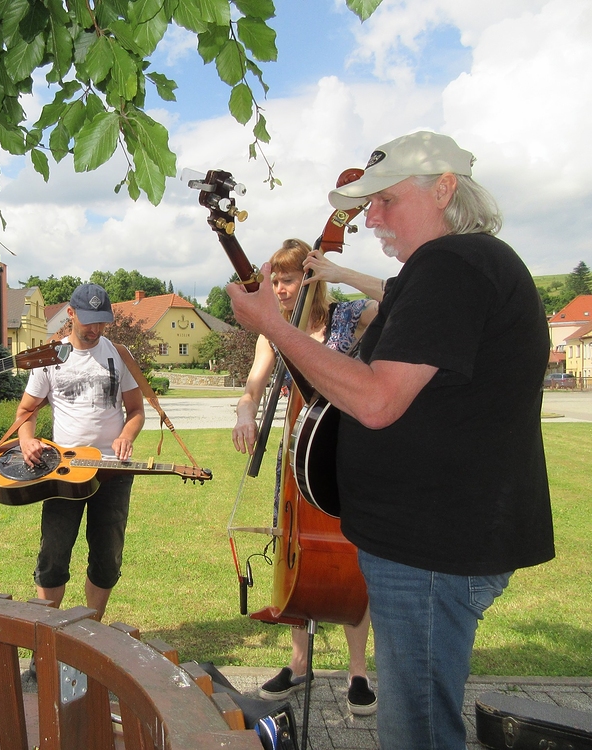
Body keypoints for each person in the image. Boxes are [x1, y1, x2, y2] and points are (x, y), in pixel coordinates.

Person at [227, 131, 555, 750]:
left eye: (384, 199)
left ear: (445, 189)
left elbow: (376, 400)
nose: (369, 216)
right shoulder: (454, 268)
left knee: (417, 731)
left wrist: (272, 324)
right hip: (434, 538)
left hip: (431, 548)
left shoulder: (451, 266)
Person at [231, 240, 381, 715]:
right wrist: (245, 410)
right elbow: (255, 381)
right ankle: (299, 664)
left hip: (344, 448)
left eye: (288, 279)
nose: (278, 289)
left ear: (310, 278)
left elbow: (398, 300)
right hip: (297, 449)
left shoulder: (348, 315)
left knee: (352, 557)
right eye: (274, 280)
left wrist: (339, 271)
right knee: (293, 548)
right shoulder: (273, 329)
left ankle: (358, 671)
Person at [15, 283, 146, 624]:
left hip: (112, 473)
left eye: (102, 322)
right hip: (64, 473)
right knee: (53, 555)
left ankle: (92, 635)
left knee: (107, 559)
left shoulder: (118, 353)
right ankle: (47, 635)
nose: (96, 329)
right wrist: (27, 441)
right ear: (70, 314)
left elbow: (136, 411)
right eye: (89, 321)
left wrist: (126, 436)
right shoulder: (50, 355)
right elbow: (25, 413)